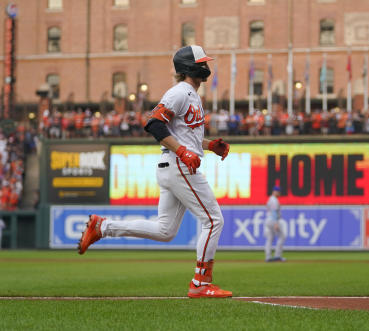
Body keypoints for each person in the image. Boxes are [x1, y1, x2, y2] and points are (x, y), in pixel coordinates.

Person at [78, 45, 232, 298]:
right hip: (178, 164)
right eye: (202, 63)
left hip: (173, 165)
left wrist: (210, 145)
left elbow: (185, 136)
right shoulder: (180, 92)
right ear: (189, 67)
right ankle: (201, 283)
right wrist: (183, 151)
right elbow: (154, 124)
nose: (206, 67)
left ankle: (103, 227)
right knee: (214, 220)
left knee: (165, 231)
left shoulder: (192, 95)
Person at [264, 185, 286, 262]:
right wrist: (276, 223)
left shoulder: (270, 199)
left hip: (268, 220)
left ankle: (268, 257)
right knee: (282, 236)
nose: (279, 193)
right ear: (275, 191)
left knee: (270, 238)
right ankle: (277, 255)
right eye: (278, 191)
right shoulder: (274, 200)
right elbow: (274, 212)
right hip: (273, 221)